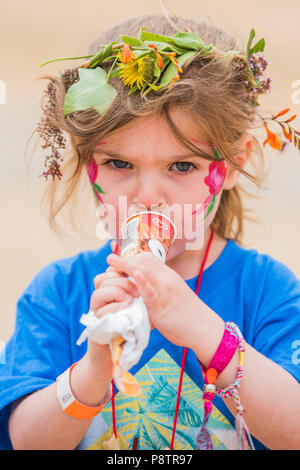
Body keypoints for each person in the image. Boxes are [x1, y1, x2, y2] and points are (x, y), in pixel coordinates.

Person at [0, 13, 300, 451]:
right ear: (89, 166)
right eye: (120, 165)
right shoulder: (58, 293)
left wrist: (208, 334)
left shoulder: (266, 290)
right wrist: (94, 366)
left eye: (183, 166)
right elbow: (26, 441)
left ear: (236, 162)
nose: (148, 196)